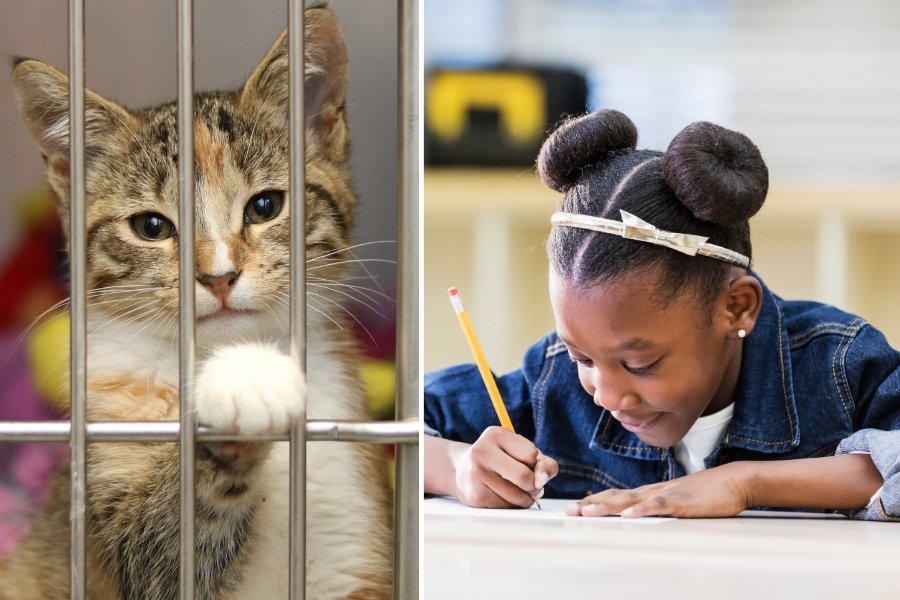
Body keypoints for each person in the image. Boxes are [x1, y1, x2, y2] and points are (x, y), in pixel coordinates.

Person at [424, 109, 900, 520]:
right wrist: (459, 467)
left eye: (639, 364)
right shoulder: (553, 382)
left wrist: (746, 483)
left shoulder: (838, 365)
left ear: (737, 308)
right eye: (583, 358)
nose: (606, 395)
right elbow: (395, 424)